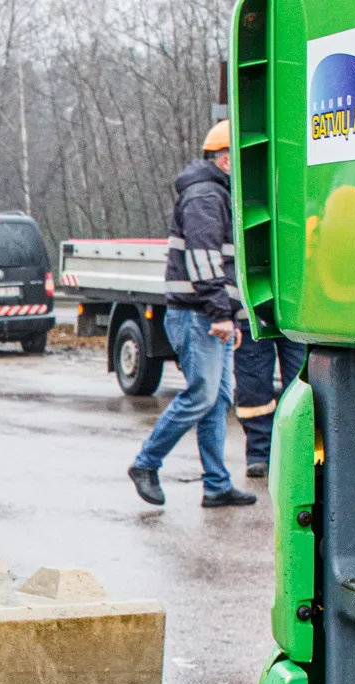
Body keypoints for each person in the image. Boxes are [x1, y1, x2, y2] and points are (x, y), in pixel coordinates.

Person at [128, 120, 258, 509]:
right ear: (225, 160)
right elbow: (203, 261)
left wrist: (231, 315)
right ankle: (146, 463)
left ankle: (216, 485)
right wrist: (220, 313)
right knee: (202, 396)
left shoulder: (212, 194)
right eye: (241, 159)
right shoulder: (205, 196)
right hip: (197, 315)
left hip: (208, 315)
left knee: (216, 401)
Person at [233, 318, 306, 479]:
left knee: (301, 388)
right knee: (253, 391)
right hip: (251, 315)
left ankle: (296, 454)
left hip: (295, 314)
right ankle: (259, 453)